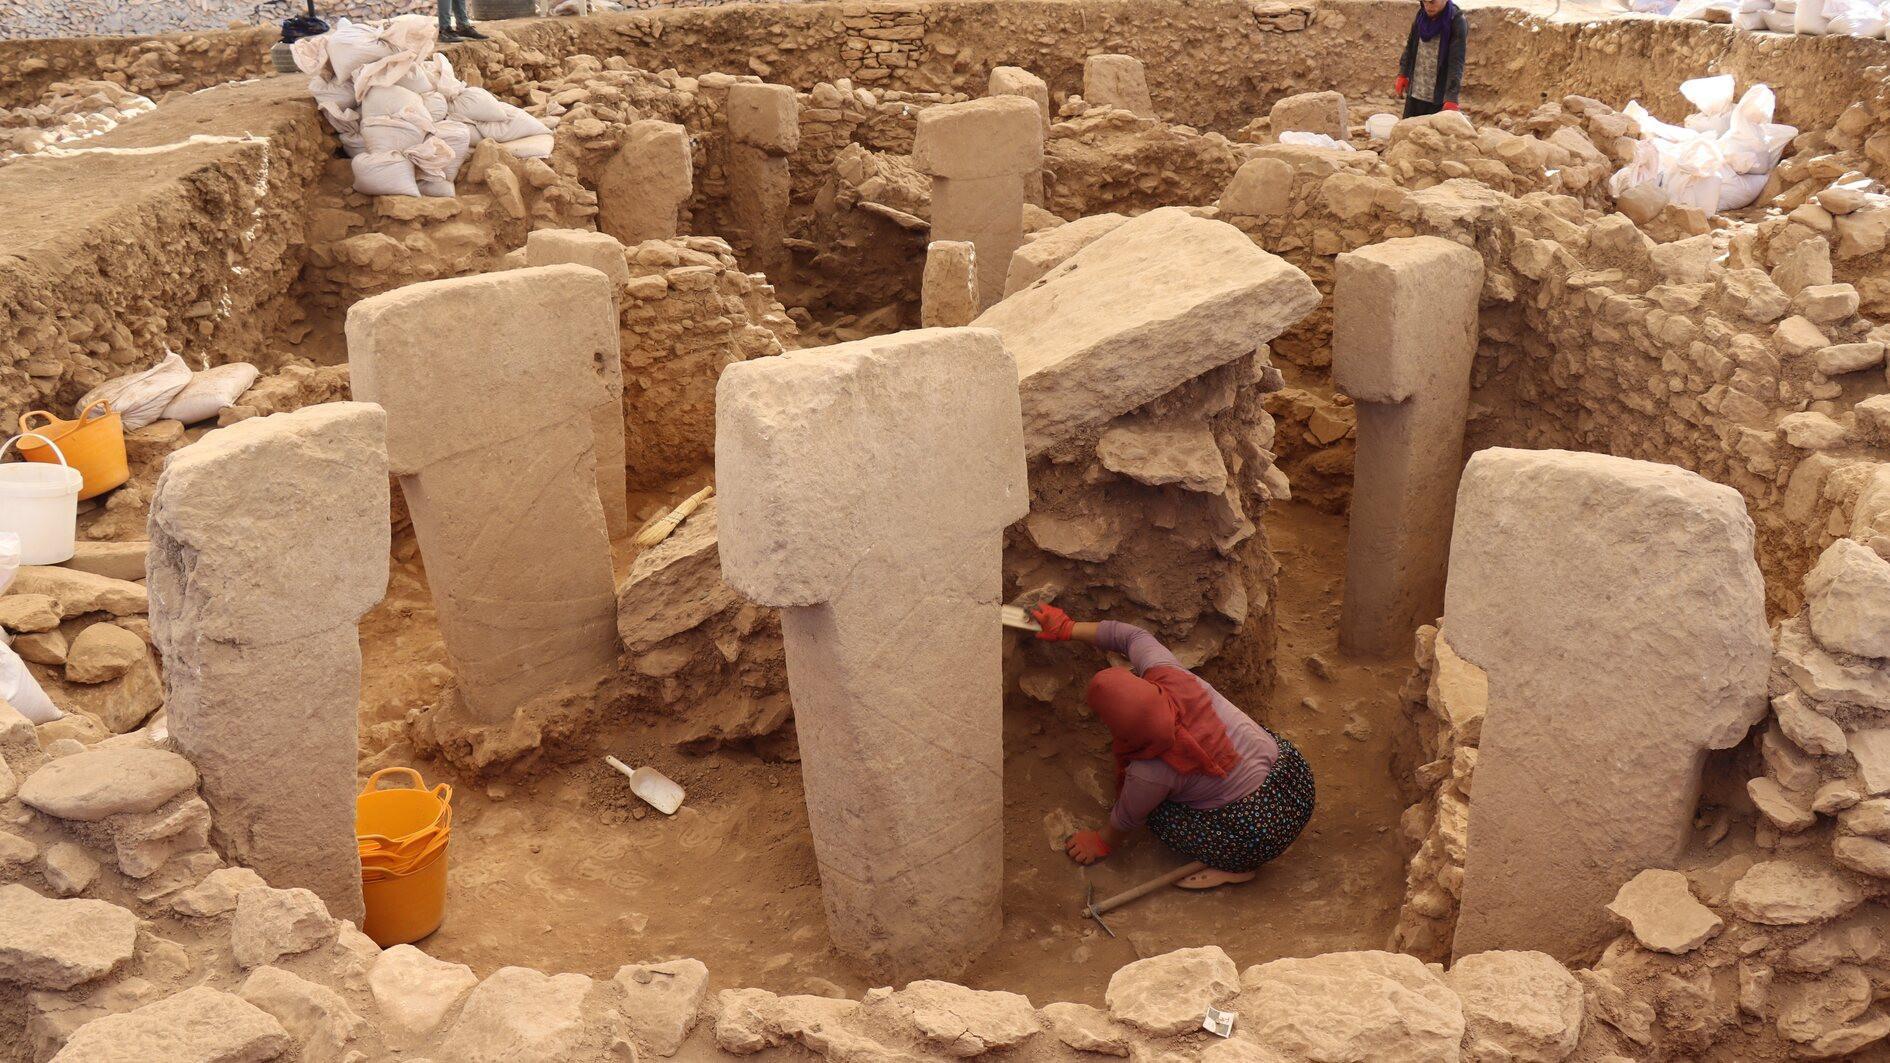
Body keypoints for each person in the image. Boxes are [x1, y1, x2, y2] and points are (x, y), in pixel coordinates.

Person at [1029, 604, 1316, 890]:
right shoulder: (1169, 674)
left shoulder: (1151, 769)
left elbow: (1127, 818)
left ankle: (1235, 865)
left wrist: (1102, 841)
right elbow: (1131, 637)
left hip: (1259, 833)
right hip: (1294, 781)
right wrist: (1068, 628)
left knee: (1157, 815)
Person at [1396, 0, 1467, 119]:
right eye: (1425, 2)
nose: (1428, 6)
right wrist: (1403, 73)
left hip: (1437, 98)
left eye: (1433, 2)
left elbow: (1456, 61)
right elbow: (1410, 46)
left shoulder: (1456, 21)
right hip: (1415, 92)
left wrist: (1451, 97)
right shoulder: (1421, 16)